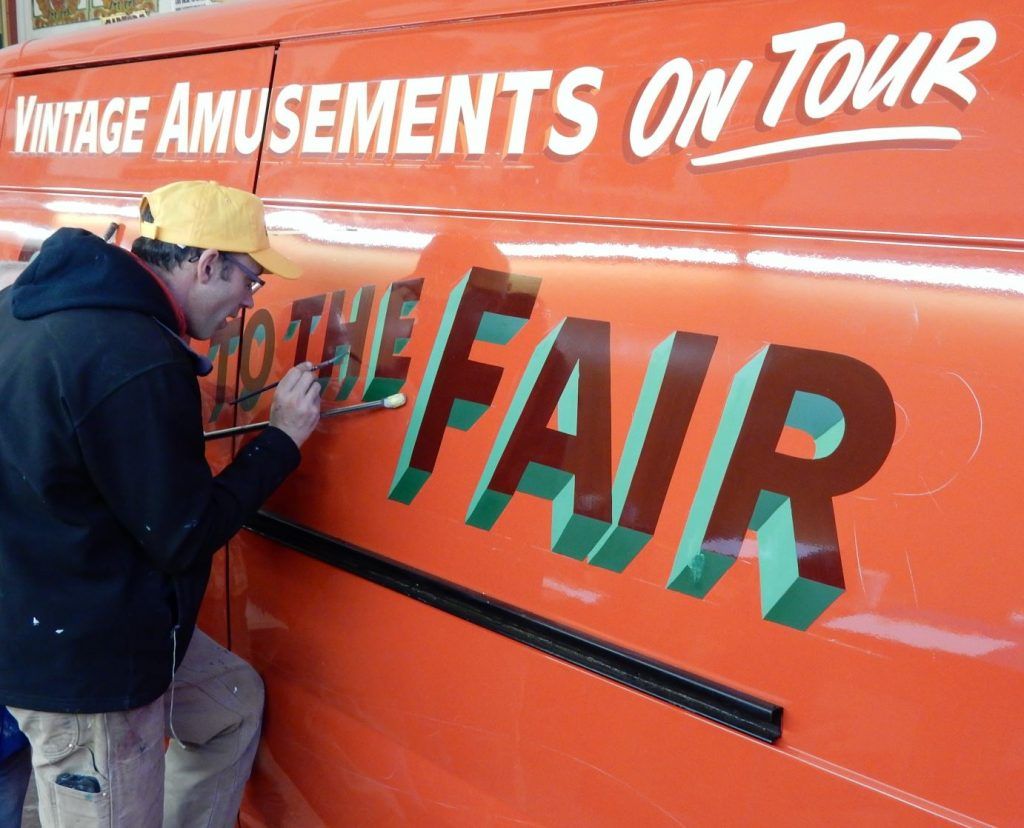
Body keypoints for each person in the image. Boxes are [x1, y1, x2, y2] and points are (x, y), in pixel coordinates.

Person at [0, 180, 322, 827]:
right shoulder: (137, 356)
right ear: (207, 264)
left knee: (229, 705)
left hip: (42, 606)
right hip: (86, 667)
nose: (248, 303)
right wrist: (282, 440)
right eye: (250, 281)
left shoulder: (32, 305)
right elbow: (182, 533)